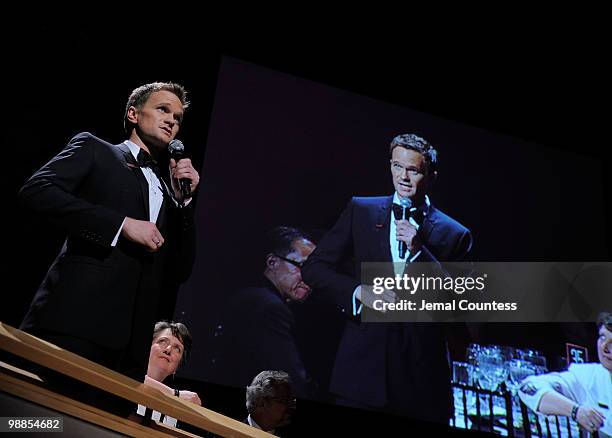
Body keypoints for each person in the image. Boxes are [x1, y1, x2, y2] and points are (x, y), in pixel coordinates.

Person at [18, 82, 200, 402]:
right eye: (163, 109)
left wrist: (184, 204)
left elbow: (180, 271)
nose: (172, 120)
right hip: (76, 323)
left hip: (129, 347)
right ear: (133, 113)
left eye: (178, 117)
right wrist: (120, 225)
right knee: (41, 420)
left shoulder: (167, 189)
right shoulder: (96, 149)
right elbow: (37, 190)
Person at [301, 133, 472, 423]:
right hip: (360, 376)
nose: (403, 177)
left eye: (413, 170)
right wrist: (358, 292)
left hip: (421, 384)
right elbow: (314, 268)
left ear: (430, 175)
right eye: (397, 166)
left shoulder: (454, 233)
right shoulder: (362, 210)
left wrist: (420, 252)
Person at [211, 226, 317, 398]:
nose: (310, 278)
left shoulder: (252, 297)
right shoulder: (269, 307)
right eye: (302, 266)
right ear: (272, 262)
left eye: (315, 271)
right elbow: (291, 382)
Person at [519, 312, 612, 436]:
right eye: (602, 337)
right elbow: (528, 387)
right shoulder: (589, 376)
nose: (605, 348)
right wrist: (576, 411)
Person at [136, 321, 201, 427]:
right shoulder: (125, 373)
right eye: (162, 341)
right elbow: (134, 379)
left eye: (177, 349)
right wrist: (175, 395)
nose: (168, 350)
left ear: (177, 368)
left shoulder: (172, 414)